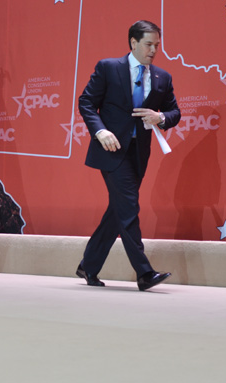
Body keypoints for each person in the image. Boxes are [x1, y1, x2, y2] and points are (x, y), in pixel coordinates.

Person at [77, 20, 181, 291]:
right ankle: (144, 273)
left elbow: (174, 113)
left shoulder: (162, 77)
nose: (153, 50)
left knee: (119, 211)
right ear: (133, 43)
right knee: (129, 208)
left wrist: (160, 117)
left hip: (139, 153)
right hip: (111, 150)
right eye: (148, 44)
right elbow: (86, 102)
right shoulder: (109, 67)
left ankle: (88, 265)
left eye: (157, 45)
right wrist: (100, 132)